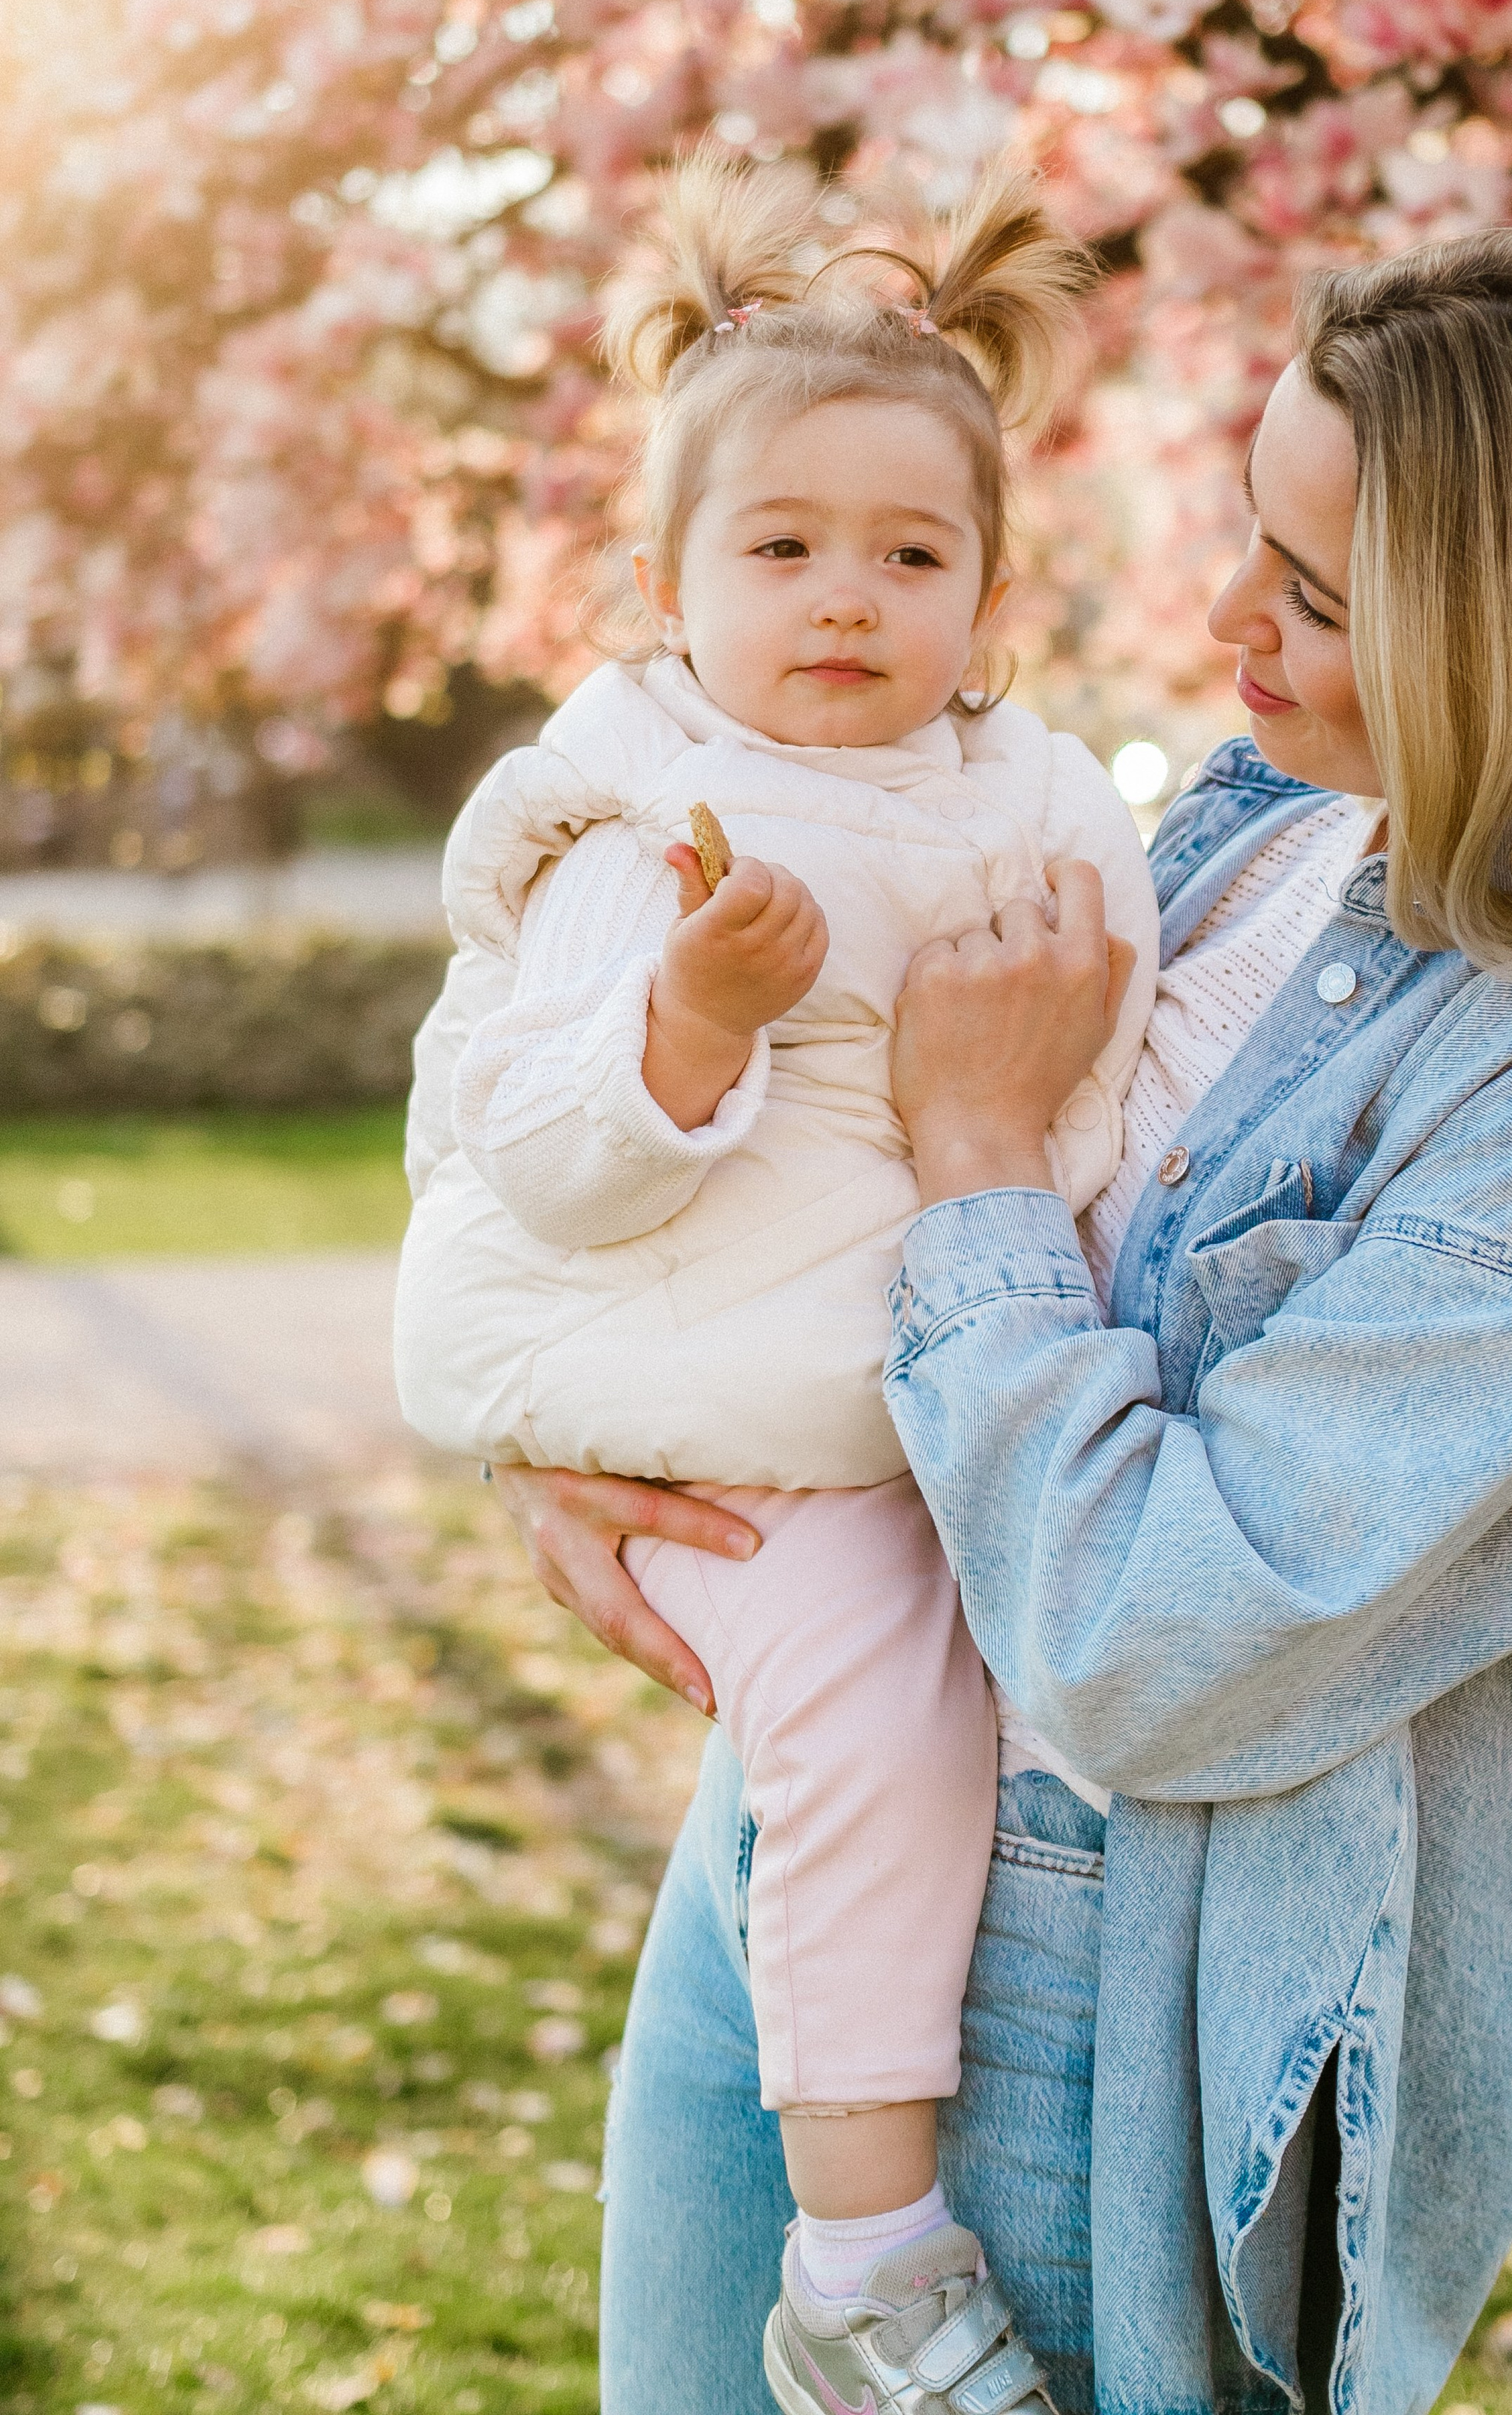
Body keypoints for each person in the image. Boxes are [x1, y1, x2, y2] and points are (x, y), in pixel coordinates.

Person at [502, 222, 1512, 2414]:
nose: (1222, 627)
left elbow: (1154, 1639)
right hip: (805, 1829)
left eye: (1321, 599)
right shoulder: (1275, 827)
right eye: (1257, 542)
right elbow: (770, 1159)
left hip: (1081, 1997)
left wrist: (975, 1148)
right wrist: (576, 1421)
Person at [395, 150, 1158, 2415]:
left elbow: (1102, 1068)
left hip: (897, 1389)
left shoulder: (1016, 797)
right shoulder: (659, 825)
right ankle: (865, 2256)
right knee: (857, 1720)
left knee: (937, 1714)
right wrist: (698, 1025)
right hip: (703, 1409)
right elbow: (544, 1151)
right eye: (784, 547)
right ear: (662, 588)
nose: (847, 597)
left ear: (993, 596)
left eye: (910, 554)